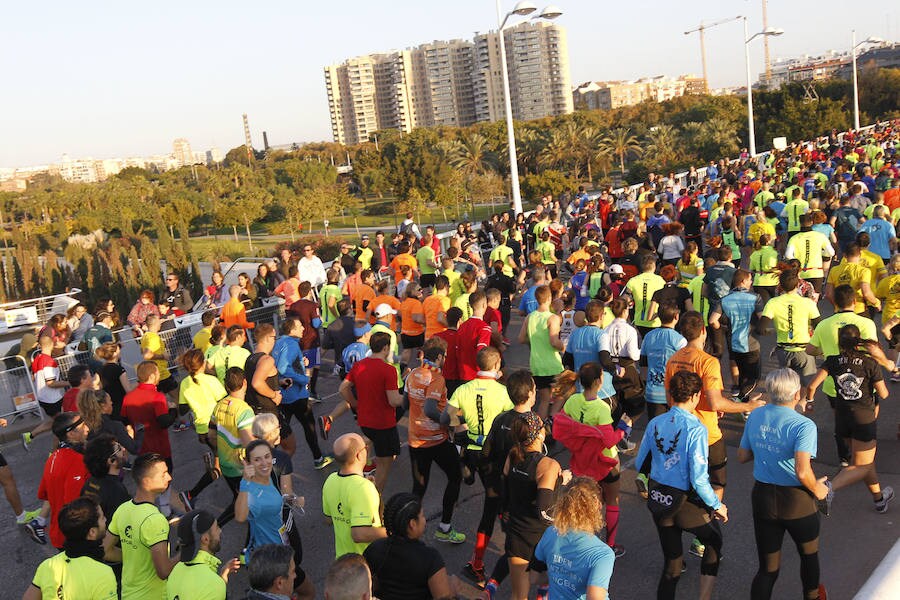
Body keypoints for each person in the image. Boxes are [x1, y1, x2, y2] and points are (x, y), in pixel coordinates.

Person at [738, 369, 830, 600]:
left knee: (767, 569)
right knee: (808, 556)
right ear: (797, 392)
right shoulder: (803, 426)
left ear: (769, 391)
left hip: (763, 498)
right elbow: (802, 470)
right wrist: (819, 490)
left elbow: (742, 455)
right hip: (797, 501)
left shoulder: (756, 415)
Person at [636, 371, 728, 600]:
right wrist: (717, 504)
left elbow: (640, 462)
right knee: (714, 541)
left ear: (670, 395)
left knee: (673, 565)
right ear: (696, 396)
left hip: (660, 500)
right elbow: (698, 477)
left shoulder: (656, 422)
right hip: (685, 503)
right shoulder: (696, 429)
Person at [445, 346, 514, 586]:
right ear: (496, 367)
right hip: (495, 456)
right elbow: (512, 424)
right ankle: (478, 563)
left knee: (495, 503)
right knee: (494, 506)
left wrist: (458, 428)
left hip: (472, 449)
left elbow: (448, 414)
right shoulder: (504, 392)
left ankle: (466, 467)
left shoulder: (464, 389)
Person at [806, 324, 892, 512]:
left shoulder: (832, 360)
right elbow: (884, 394)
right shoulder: (870, 363)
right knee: (863, 464)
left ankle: (879, 500)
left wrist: (810, 401)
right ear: (858, 340)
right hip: (863, 419)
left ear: (839, 341)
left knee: (863, 462)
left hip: (842, 419)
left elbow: (812, 386)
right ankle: (828, 489)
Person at [556, 363, 630, 557]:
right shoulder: (601, 408)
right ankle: (610, 545)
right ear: (599, 382)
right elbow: (609, 441)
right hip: (605, 462)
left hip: (582, 460)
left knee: (588, 504)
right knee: (612, 501)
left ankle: (583, 544)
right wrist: (623, 428)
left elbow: (564, 425)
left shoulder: (572, 401)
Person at [235, 439, 314, 599]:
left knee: (305, 592)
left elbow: (272, 503)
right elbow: (240, 517)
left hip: (281, 548)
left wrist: (292, 500)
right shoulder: (249, 490)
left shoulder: (268, 477)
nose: (264, 463)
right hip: (269, 560)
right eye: (257, 460)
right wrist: (245, 483)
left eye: (267, 457)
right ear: (248, 463)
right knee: (308, 592)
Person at [503, 411, 570, 600]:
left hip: (517, 535)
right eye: (542, 426)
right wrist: (562, 485)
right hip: (543, 539)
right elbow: (544, 512)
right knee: (556, 588)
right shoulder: (548, 465)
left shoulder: (512, 456)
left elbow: (505, 494)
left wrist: (506, 515)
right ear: (539, 434)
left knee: (518, 595)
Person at [405, 338, 465, 544]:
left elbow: (406, 403)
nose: (445, 359)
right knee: (456, 476)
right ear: (439, 357)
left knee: (419, 488)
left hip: (415, 440)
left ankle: (407, 532)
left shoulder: (413, 374)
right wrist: (448, 422)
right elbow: (431, 408)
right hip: (436, 441)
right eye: (445, 356)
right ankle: (445, 528)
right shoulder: (436, 378)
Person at [339, 331, 403, 493]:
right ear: (386, 347)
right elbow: (394, 400)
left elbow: (343, 388)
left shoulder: (359, 365)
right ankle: (375, 499)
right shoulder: (388, 370)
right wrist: (409, 397)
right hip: (383, 423)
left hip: (365, 420)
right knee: (384, 462)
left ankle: (366, 482)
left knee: (379, 452)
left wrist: (355, 404)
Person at [533, 477, 615, 600]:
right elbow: (595, 597)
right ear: (597, 505)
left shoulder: (551, 533)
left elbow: (534, 577)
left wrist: (560, 574)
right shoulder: (602, 554)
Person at [23, 497, 118, 600]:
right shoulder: (103, 573)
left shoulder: (47, 566)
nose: (105, 520)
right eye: (102, 518)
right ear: (92, 532)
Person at [363, 492, 454, 600]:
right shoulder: (431, 558)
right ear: (412, 524)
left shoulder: (374, 548)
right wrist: (452, 590)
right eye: (422, 516)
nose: (424, 521)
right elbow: (442, 596)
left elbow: (367, 587)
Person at [120, 361, 180, 518]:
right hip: (160, 446)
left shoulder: (128, 398)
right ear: (152, 376)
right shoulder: (157, 397)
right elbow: (164, 422)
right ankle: (165, 509)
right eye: (158, 372)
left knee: (147, 480)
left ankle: (149, 510)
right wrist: (173, 410)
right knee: (164, 476)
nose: (160, 375)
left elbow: (125, 421)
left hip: (141, 447)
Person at [272, 317, 332, 469]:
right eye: (299, 326)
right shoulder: (291, 345)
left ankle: (269, 460)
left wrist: (300, 363)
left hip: (284, 395)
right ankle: (318, 458)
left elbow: (282, 364)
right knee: (308, 426)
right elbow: (283, 368)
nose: (303, 328)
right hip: (296, 395)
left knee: (280, 432)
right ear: (291, 330)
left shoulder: (279, 342)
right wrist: (304, 379)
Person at [176, 348, 226, 510]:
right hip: (217, 428)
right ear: (203, 363)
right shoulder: (210, 380)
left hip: (202, 430)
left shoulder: (184, 383)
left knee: (223, 464)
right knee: (224, 467)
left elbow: (182, 409)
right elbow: (225, 402)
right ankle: (190, 494)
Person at [322, 433, 386, 557]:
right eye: (365, 447)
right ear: (359, 455)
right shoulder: (363, 488)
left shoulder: (330, 480)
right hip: (367, 561)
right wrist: (391, 532)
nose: (367, 449)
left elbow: (328, 519)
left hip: (342, 558)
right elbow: (359, 534)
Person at [37, 412, 90, 549]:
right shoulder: (77, 461)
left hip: (58, 534)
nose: (88, 429)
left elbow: (44, 493)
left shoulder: (52, 458)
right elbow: (75, 505)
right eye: (83, 426)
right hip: (76, 537)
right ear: (71, 434)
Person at [760, 271, 820, 385]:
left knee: (787, 383)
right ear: (798, 285)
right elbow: (818, 326)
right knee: (806, 383)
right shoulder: (808, 303)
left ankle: (789, 402)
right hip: (804, 350)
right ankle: (802, 402)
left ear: (780, 286)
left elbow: (761, 328)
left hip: (783, 351)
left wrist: (773, 331)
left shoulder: (773, 302)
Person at [710, 269, 763, 398]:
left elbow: (712, 321)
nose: (751, 282)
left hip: (733, 342)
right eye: (750, 279)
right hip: (751, 343)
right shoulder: (755, 298)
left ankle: (744, 408)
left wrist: (723, 328)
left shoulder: (725, 299)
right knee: (754, 378)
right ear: (743, 281)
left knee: (742, 375)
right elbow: (762, 318)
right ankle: (739, 399)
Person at [166, 509, 240, 600]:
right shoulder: (214, 585)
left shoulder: (175, 571)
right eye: (216, 528)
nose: (220, 531)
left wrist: (221, 576)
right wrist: (219, 583)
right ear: (205, 539)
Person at [518, 285, 564, 419]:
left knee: (544, 399)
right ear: (549, 298)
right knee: (565, 391)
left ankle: (541, 428)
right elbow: (554, 341)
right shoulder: (552, 318)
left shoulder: (530, 317)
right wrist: (563, 347)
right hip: (552, 364)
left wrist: (533, 341)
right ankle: (553, 414)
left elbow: (521, 338)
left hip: (536, 365)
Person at [640, 303, 686, 421]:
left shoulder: (648, 336)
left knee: (656, 431)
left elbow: (643, 365)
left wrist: (646, 386)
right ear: (676, 317)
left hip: (652, 393)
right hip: (674, 394)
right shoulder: (680, 340)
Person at [22, 335, 70, 449]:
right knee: (61, 425)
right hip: (52, 399)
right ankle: (53, 453)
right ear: (52, 345)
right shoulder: (49, 361)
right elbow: (51, 383)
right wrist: (70, 382)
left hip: (43, 398)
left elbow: (34, 378)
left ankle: (30, 435)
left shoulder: (37, 358)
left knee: (57, 422)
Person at [81, 433, 131, 529]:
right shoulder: (117, 491)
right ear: (111, 461)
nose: (124, 449)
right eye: (119, 449)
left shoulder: (89, 482)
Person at [626, 254, 666, 337]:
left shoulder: (633, 280)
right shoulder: (660, 280)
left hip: (639, 320)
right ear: (654, 266)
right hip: (655, 320)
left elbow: (625, 299)